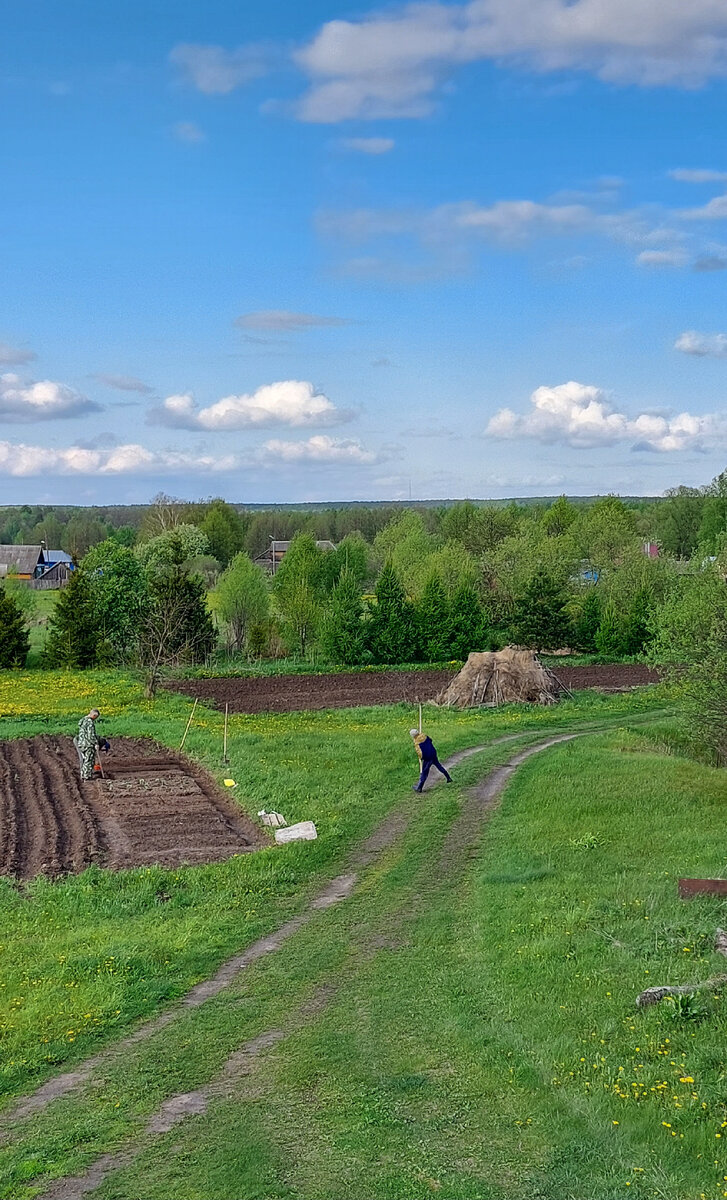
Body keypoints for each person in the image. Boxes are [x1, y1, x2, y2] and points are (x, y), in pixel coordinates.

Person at [73, 708, 109, 781]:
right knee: (89, 760)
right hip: (88, 744)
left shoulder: (83, 721)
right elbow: (91, 735)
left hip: (81, 743)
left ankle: (83, 775)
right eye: (96, 717)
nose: (95, 719)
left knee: (85, 759)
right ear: (94, 715)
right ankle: (87, 777)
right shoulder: (90, 722)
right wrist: (95, 743)